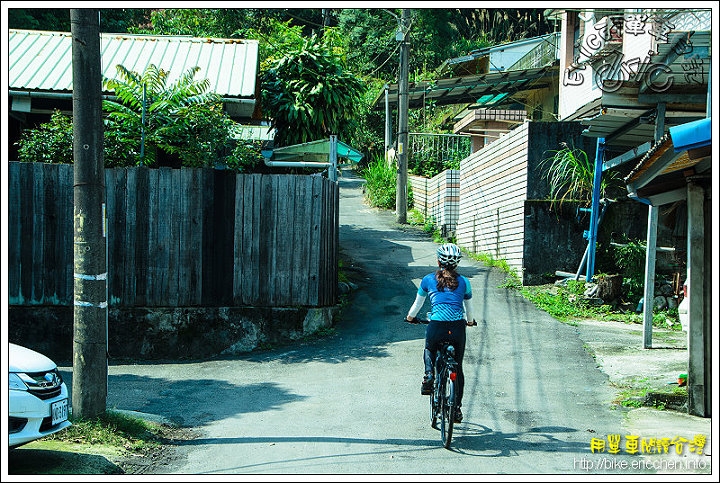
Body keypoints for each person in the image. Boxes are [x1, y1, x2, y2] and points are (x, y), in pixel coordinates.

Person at [405, 242, 476, 423]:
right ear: (457, 263)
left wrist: (410, 318)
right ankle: (457, 409)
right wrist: (470, 321)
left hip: (436, 326)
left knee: (429, 349)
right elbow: (469, 310)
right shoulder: (464, 282)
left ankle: (429, 374)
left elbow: (417, 305)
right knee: (457, 368)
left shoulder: (428, 280)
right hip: (457, 328)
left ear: (438, 261)